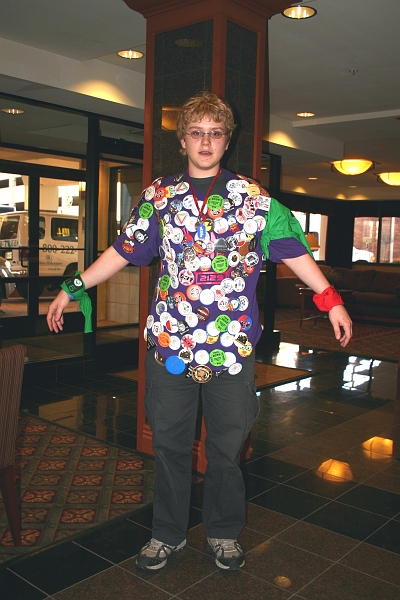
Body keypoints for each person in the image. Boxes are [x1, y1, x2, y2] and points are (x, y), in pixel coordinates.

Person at [47, 91, 352, 571]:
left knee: (227, 449)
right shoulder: (158, 197)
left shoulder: (252, 198)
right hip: (171, 347)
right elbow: (123, 250)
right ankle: (167, 534)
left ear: (227, 141)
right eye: (197, 132)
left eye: (215, 133)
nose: (206, 141)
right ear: (183, 140)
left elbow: (292, 248)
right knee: (169, 447)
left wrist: (329, 299)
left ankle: (224, 532)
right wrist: (73, 285)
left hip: (230, 351)